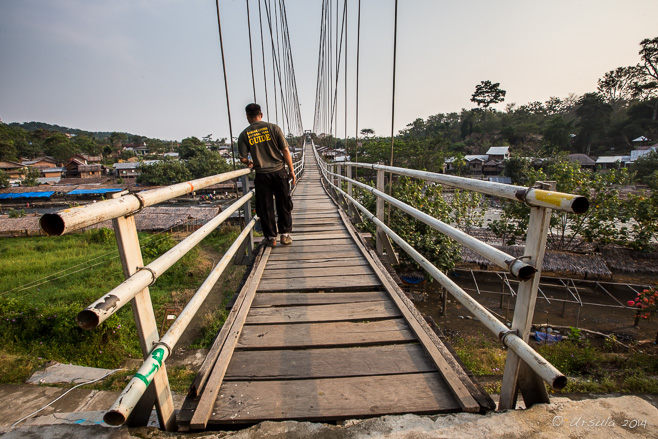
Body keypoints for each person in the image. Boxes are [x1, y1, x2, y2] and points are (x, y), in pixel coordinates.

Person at [238, 103, 296, 247]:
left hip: (262, 175)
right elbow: (285, 151)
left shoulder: (244, 134)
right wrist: (291, 170)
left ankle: (271, 238)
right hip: (279, 172)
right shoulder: (274, 128)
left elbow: (243, 158)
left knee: (265, 206)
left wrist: (249, 162)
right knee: (283, 203)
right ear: (261, 114)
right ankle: (285, 235)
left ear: (247, 117)